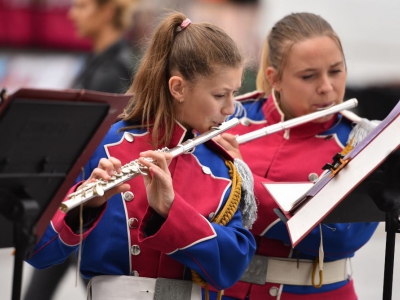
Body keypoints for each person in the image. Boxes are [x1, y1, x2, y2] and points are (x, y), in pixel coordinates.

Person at [25, 12, 257, 300]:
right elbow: (36, 251)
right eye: (220, 95)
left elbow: (232, 268)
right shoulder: (101, 144)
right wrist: (88, 205)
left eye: (234, 94)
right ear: (178, 88)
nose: (230, 109)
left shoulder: (222, 167)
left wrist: (173, 211)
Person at [214, 12, 379, 300]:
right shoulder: (228, 118)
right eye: (309, 76)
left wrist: (243, 180)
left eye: (336, 71)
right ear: (274, 79)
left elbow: (344, 234)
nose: (326, 87)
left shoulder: (359, 139)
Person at [23, 2, 138, 299]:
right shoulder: (97, 61)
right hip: (81, 194)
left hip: (93, 195)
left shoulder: (116, 70)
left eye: (83, 6)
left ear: (107, 11)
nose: (73, 13)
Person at [68, 0, 138, 93]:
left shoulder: (112, 71)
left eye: (82, 6)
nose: (72, 15)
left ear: (107, 11)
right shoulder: (99, 60)